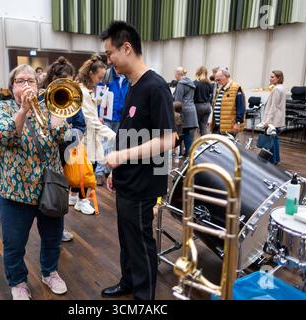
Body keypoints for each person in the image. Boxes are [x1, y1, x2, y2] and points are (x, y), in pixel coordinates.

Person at [100, 21, 176, 300]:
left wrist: (121, 156)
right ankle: (128, 282)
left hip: (144, 185)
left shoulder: (156, 87)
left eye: (110, 54)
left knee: (142, 244)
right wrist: (115, 172)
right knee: (127, 239)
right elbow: (129, 132)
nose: (109, 61)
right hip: (127, 181)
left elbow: (168, 140)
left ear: (127, 48)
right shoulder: (132, 85)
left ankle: (144, 298)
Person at [0, 64, 68, 300]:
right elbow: (5, 137)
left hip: (49, 188)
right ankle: (18, 282)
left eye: (31, 81)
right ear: (12, 86)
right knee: (14, 243)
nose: (26, 85)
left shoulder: (48, 107)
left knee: (53, 238)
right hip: (15, 191)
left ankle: (50, 272)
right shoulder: (0, 108)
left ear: (38, 85)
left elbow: (59, 137)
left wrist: (58, 112)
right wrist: (23, 110)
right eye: (21, 81)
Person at [42, 56, 81, 242]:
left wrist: (70, 136)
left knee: (58, 190)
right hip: (42, 151)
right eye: (64, 81)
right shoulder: (42, 98)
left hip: (63, 150)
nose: (68, 84)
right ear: (53, 80)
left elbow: (81, 125)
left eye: (70, 81)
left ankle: (58, 229)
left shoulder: (73, 97)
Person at [71, 54, 116, 215]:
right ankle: (82, 201)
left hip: (86, 136)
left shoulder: (84, 90)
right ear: (90, 73)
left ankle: (75, 196)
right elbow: (90, 120)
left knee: (81, 169)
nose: (101, 79)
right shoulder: (83, 92)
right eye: (99, 76)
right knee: (87, 170)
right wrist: (113, 135)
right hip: (86, 137)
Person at [95, 64, 129, 185]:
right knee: (104, 145)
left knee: (116, 145)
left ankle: (109, 171)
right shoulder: (107, 75)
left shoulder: (127, 77)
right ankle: (99, 172)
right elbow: (99, 94)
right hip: (107, 116)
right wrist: (99, 114)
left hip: (121, 117)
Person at [258, 70, 286, 165]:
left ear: (278, 78)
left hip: (273, 120)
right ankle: (276, 159)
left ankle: (273, 160)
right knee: (274, 139)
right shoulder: (281, 87)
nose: (270, 78)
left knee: (271, 140)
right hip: (277, 119)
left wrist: (267, 121)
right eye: (270, 77)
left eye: (272, 77)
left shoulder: (277, 89)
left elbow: (273, 107)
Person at [210, 68, 246, 136]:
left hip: (229, 128)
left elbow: (241, 107)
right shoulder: (220, 89)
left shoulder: (236, 88)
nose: (217, 82)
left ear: (226, 77)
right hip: (217, 127)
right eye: (216, 80)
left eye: (218, 80)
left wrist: (238, 123)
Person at [173, 67, 198, 157]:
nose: (175, 76)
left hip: (184, 111)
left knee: (182, 132)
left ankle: (187, 153)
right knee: (187, 133)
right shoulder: (191, 83)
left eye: (175, 74)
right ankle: (188, 153)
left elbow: (178, 100)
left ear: (179, 74)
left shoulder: (181, 83)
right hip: (192, 110)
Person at [193, 66, 214, 136]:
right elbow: (212, 95)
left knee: (194, 127)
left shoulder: (195, 83)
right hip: (207, 106)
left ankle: (194, 145)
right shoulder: (210, 84)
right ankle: (205, 144)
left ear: (198, 73)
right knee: (204, 127)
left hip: (198, 106)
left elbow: (193, 96)